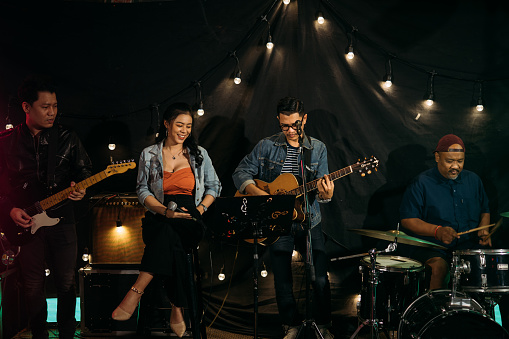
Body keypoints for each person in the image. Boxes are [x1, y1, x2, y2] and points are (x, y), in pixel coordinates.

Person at [111, 102, 221, 337]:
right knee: (168, 236)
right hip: (159, 216)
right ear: (167, 124)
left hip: (191, 218)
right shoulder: (149, 154)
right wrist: (164, 211)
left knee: (169, 234)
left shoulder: (199, 154)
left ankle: (136, 291)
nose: (184, 130)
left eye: (189, 126)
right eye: (179, 125)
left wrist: (200, 210)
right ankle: (177, 306)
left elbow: (214, 186)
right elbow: (142, 191)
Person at [232, 96, 335, 339]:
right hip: (277, 221)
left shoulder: (317, 148)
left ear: (305, 119)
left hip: (309, 220)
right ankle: (290, 324)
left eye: (295, 125)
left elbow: (323, 188)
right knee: (282, 278)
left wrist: (326, 195)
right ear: (278, 121)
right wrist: (260, 195)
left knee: (319, 277)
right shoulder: (266, 145)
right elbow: (240, 172)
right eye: (284, 125)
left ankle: (323, 324)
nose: (290, 131)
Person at [0, 75, 92, 339]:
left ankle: (66, 335)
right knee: (32, 285)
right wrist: (9, 210)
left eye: (55, 106)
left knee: (66, 282)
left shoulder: (67, 137)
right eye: (45, 106)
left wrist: (81, 186)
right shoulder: (5, 142)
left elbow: (85, 170)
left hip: (62, 219)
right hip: (25, 222)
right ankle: (38, 335)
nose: (52, 112)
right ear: (26, 107)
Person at [399, 134, 491, 290]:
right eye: (450, 161)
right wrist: (437, 231)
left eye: (460, 161)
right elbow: (408, 219)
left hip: (468, 247)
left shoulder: (473, 180)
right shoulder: (421, 182)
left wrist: (484, 228)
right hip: (433, 247)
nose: (455, 166)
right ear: (437, 157)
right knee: (440, 269)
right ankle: (436, 311)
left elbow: (485, 210)